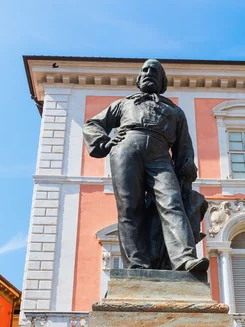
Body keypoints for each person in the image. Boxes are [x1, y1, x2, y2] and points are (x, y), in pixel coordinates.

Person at [83, 59, 209, 273]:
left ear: (162, 81)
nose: (149, 72)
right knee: (129, 207)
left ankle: (184, 259)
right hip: (126, 149)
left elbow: (183, 146)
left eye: (155, 70)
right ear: (139, 78)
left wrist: (185, 173)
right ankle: (137, 264)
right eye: (145, 70)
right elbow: (92, 124)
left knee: (172, 202)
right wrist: (105, 142)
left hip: (160, 155)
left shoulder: (175, 111)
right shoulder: (124, 104)